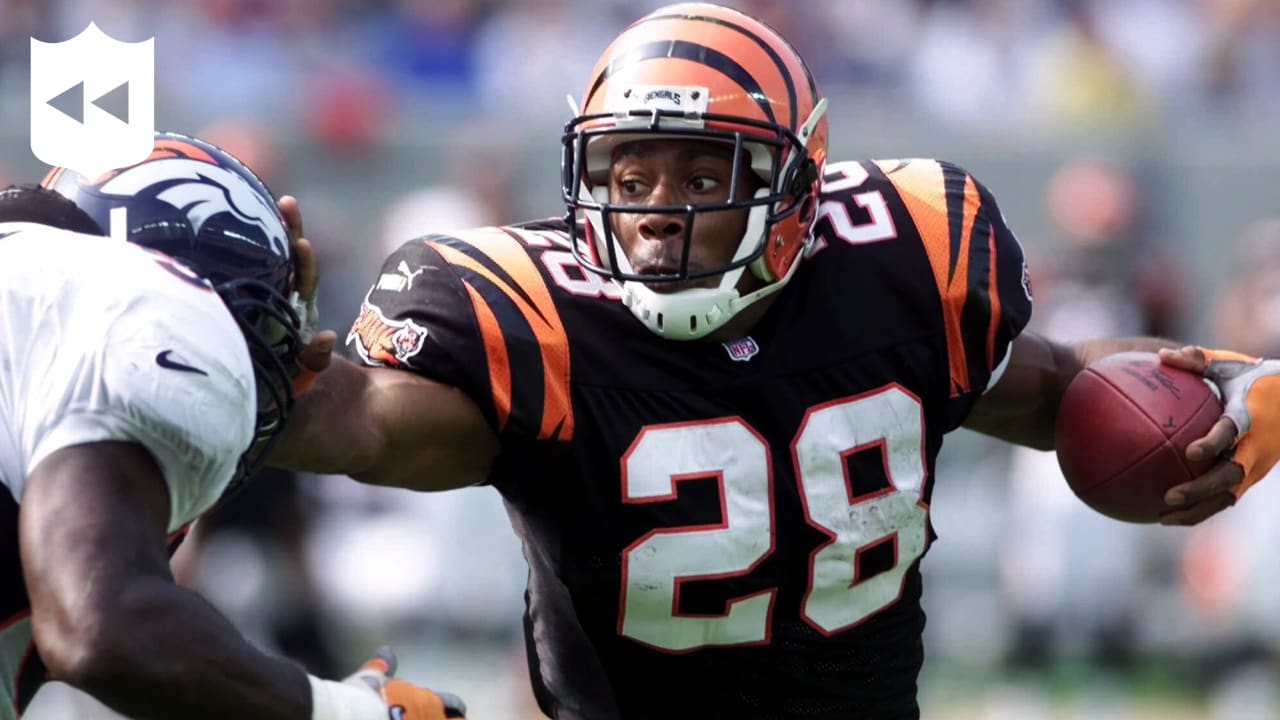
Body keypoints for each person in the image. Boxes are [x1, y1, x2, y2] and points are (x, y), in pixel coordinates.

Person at [271, 3, 1280, 718]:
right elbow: (365, 421)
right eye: (628, 173)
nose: (657, 213)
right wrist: (268, 376)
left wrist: (1226, 383)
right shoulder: (533, 314)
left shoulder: (899, 264)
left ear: (796, 185)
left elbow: (1057, 382)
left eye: (702, 172)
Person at [0, 133, 464, 720]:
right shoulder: (153, 307)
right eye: (269, 326)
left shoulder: (33, 289)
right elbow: (101, 626)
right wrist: (348, 711)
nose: (283, 355)